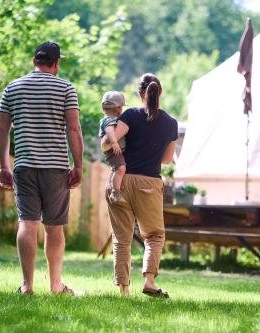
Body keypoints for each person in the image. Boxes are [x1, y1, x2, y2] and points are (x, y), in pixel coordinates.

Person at [0, 41, 83, 295]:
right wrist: (78, 166)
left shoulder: (13, 87)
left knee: (27, 222)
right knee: (54, 227)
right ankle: (56, 286)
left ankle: (27, 285)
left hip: (24, 165)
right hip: (55, 167)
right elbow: (74, 129)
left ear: (35, 61)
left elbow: (2, 130)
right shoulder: (66, 88)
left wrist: (4, 165)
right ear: (56, 64)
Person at [104, 73, 178, 297]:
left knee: (122, 238)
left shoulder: (130, 116)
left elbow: (109, 142)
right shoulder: (170, 123)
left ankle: (124, 290)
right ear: (160, 92)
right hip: (150, 182)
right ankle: (149, 281)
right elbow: (166, 159)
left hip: (122, 180)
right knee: (154, 235)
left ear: (140, 94)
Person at [98, 91, 127, 203]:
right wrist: (114, 143)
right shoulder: (109, 119)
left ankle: (114, 188)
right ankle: (115, 192)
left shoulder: (110, 118)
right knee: (121, 168)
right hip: (112, 150)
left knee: (117, 169)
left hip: (114, 150)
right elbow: (110, 131)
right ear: (117, 108)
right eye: (121, 107)